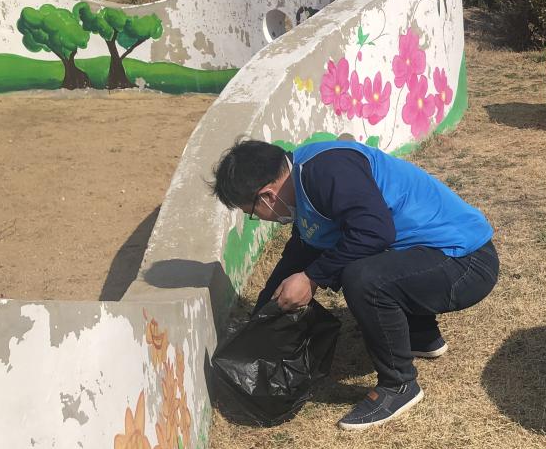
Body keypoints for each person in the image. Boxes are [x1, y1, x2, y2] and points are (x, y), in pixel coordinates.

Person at [211, 139, 498, 431]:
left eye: (252, 212)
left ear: (267, 196)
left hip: (467, 264)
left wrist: (312, 278)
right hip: (442, 258)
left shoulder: (327, 173)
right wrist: (262, 314)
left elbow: (375, 232)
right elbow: (302, 251)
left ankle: (399, 385)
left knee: (362, 278)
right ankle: (421, 336)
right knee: (355, 260)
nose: (259, 219)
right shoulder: (302, 176)